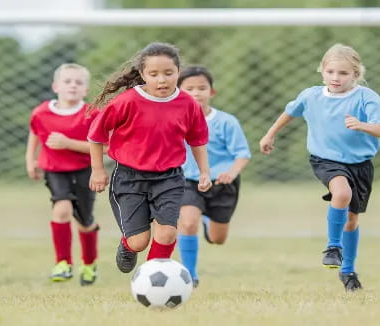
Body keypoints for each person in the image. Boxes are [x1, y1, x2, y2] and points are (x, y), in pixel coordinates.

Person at [259, 43, 380, 291]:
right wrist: (270, 135)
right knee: (341, 193)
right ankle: (333, 247)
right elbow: (289, 112)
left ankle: (348, 271)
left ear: (356, 74)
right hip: (326, 159)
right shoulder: (311, 96)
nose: (336, 78)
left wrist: (362, 125)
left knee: (351, 220)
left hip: (360, 165)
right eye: (330, 71)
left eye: (343, 73)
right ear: (322, 71)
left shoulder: (366, 97)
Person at [87, 42, 212, 274]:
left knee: (167, 232)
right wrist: (97, 170)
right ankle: (127, 245)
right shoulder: (127, 102)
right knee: (139, 242)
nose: (161, 80)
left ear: (178, 72)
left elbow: (198, 140)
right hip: (129, 177)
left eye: (168, 73)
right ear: (143, 75)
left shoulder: (187, 104)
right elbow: (96, 135)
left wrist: (205, 172)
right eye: (153, 74)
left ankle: (151, 277)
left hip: (169, 177)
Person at [26, 63, 100, 286]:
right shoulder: (41, 112)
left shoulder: (92, 113)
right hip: (55, 169)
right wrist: (31, 159)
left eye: (78, 82)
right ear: (56, 86)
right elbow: (35, 134)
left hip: (84, 171)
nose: (73, 86)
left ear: (86, 90)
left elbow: (103, 147)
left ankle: (89, 263)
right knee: (62, 209)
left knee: (85, 221)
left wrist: (69, 144)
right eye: (67, 81)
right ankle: (63, 263)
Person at [176, 66, 251, 287]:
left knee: (218, 239)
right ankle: (190, 275)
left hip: (221, 183)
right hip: (189, 181)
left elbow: (242, 154)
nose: (196, 93)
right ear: (179, 92)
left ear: (212, 92)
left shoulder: (227, 122)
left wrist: (231, 172)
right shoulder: (175, 121)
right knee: (188, 223)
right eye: (189, 88)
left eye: (202, 88)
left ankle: (209, 219)